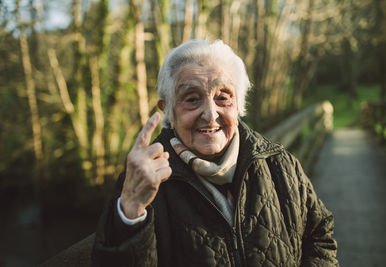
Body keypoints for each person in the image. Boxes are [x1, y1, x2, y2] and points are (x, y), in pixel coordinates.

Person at [92, 39, 338, 266]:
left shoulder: (279, 163)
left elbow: (320, 235)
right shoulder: (143, 181)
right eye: (191, 99)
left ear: (239, 104)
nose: (210, 115)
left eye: (223, 97)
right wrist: (131, 211)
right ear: (167, 109)